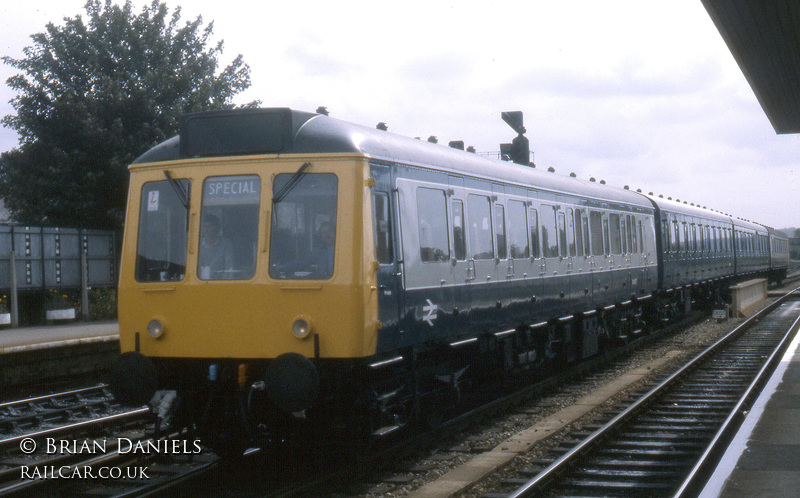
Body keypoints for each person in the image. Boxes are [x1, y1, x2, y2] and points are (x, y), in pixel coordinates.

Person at [199, 214, 235, 279]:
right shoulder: (198, 245)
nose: (206, 229)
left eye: (209, 226)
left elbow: (229, 267)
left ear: (217, 227)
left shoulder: (225, 244)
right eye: (204, 226)